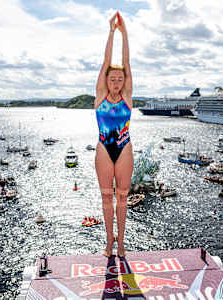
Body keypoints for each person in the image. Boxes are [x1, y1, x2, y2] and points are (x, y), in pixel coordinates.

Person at [95, 11, 133, 258]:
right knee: (106, 198)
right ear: (107, 81)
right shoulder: (100, 96)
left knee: (122, 199)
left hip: (124, 149)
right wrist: (111, 32)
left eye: (120, 79)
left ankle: (122, 243)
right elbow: (106, 62)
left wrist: (125, 32)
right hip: (103, 149)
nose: (117, 82)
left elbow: (126, 63)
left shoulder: (128, 98)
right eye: (113, 79)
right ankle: (109, 241)